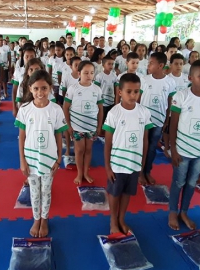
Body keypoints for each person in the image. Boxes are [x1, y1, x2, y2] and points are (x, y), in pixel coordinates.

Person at [169, 60, 200, 230]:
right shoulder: (181, 96)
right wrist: (173, 149)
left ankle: (184, 211)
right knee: (178, 182)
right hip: (182, 150)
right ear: (191, 77)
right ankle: (172, 212)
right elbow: (173, 125)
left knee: (191, 183)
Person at [15, 70, 67, 237]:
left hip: (49, 158)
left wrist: (59, 158)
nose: (40, 92)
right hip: (31, 159)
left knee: (46, 190)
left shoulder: (56, 109)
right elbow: (21, 136)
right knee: (34, 191)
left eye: (44, 88)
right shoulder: (24, 110)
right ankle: (36, 218)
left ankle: (44, 219)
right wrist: (22, 160)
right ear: (30, 89)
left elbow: (59, 134)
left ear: (50, 88)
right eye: (36, 88)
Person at [104, 73, 153, 234]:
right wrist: (108, 167)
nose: (133, 95)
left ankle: (121, 218)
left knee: (127, 192)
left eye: (136, 91)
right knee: (115, 192)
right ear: (120, 92)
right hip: (117, 163)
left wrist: (142, 163)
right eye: (129, 91)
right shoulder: (113, 113)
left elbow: (145, 140)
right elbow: (108, 143)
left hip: (134, 162)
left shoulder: (144, 112)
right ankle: (113, 220)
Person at [64, 61, 103, 185]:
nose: (89, 75)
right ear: (79, 73)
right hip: (77, 126)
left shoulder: (97, 89)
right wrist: (69, 126)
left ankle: (86, 172)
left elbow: (100, 109)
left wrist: (99, 125)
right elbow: (65, 108)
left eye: (91, 73)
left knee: (88, 149)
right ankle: (80, 173)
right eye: (86, 73)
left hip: (91, 126)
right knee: (79, 149)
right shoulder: (73, 89)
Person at [140, 52, 176, 185]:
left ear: (161, 65)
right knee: (142, 146)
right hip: (143, 121)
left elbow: (170, 102)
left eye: (151, 63)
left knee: (152, 147)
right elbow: (138, 100)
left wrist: (167, 119)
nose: (148, 65)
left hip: (159, 120)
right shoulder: (144, 79)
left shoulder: (170, 82)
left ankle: (147, 171)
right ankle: (140, 172)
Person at [95, 56, 117, 132]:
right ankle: (100, 130)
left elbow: (116, 88)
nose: (111, 66)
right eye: (109, 64)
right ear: (103, 65)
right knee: (102, 116)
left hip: (111, 101)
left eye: (112, 64)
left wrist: (115, 100)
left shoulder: (114, 75)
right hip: (102, 102)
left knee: (109, 118)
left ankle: (107, 132)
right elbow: (96, 89)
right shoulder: (99, 76)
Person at [12, 46, 37, 113]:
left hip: (37, 103)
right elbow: (14, 90)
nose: (29, 59)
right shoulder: (18, 71)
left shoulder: (39, 71)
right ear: (23, 58)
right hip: (22, 103)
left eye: (32, 56)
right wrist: (14, 107)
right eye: (27, 56)